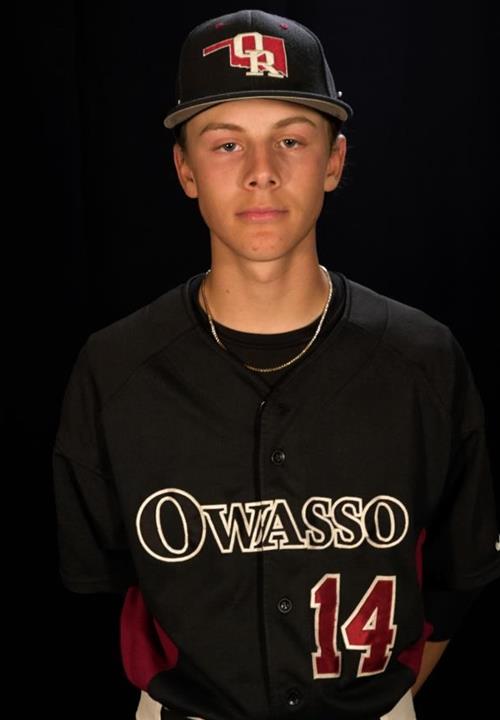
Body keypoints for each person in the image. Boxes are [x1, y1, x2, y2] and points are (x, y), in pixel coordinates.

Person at [52, 8, 500, 720]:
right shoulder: (115, 369)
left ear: (334, 161)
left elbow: (460, 573)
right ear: (185, 169)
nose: (261, 173)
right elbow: (97, 581)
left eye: (291, 140)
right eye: (226, 144)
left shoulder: (423, 358)